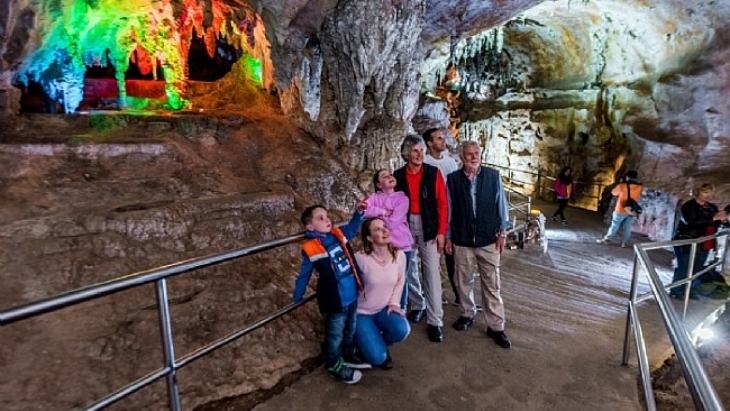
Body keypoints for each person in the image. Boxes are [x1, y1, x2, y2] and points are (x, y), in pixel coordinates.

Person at [292, 203, 370, 385]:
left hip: (352, 294)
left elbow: (351, 228)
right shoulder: (311, 248)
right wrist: (298, 298)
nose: (327, 220)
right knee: (335, 333)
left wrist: (358, 213)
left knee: (350, 328)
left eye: (326, 216)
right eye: (320, 218)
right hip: (336, 300)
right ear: (310, 227)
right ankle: (334, 363)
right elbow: (303, 275)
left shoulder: (337, 234)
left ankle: (348, 354)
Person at [446, 141, 513, 349]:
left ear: (480, 155)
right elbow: (449, 210)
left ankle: (495, 325)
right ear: (461, 156)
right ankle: (467, 313)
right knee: (463, 280)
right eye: (468, 154)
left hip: (488, 239)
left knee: (492, 283)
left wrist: (503, 232)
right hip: (462, 239)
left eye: (476, 153)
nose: (472, 157)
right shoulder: (453, 180)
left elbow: (501, 205)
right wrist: (448, 236)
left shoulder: (492, 176)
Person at [394, 135, 449, 343]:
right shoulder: (398, 175)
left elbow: (443, 204)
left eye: (421, 151)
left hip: (429, 227)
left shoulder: (433, 173)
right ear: (407, 153)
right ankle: (418, 305)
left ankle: (436, 321)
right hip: (405, 227)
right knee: (408, 270)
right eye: (415, 151)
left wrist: (442, 231)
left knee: (432, 274)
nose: (420, 155)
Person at [354, 218, 411, 369]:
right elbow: (343, 277)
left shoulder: (399, 255)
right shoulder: (360, 258)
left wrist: (395, 303)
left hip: (383, 309)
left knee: (402, 329)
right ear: (369, 237)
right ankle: (366, 343)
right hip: (361, 313)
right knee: (378, 358)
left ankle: (372, 342)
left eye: (385, 226)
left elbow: (400, 281)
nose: (384, 230)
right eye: (377, 229)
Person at [363, 169, 414, 309]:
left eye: (390, 174)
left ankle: (400, 309)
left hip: (402, 247)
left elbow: (392, 223)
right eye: (384, 176)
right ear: (379, 185)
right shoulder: (374, 197)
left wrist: (376, 218)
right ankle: (381, 308)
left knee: (400, 279)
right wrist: (383, 212)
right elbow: (363, 210)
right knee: (383, 278)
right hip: (383, 246)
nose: (390, 176)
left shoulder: (402, 198)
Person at [669, 183, 728, 299]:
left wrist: (723, 220)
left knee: (697, 268)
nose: (708, 195)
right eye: (706, 192)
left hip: (704, 243)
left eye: (710, 193)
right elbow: (691, 222)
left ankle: (689, 290)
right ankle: (676, 291)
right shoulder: (688, 206)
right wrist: (713, 218)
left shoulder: (712, 207)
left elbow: (715, 224)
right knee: (684, 267)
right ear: (698, 192)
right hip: (687, 240)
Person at [423, 128, 461, 306]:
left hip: (451, 214)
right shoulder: (424, 162)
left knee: (452, 256)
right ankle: (431, 297)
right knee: (431, 260)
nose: (443, 140)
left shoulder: (451, 163)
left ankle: (459, 296)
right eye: (439, 138)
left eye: (443, 137)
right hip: (432, 217)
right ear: (429, 143)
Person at [596, 170, 644, 248]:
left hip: (621, 208)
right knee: (627, 227)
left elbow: (613, 192)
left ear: (628, 177)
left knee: (615, 225)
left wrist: (621, 183)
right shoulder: (640, 187)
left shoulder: (622, 186)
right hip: (631, 210)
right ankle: (624, 243)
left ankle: (607, 239)